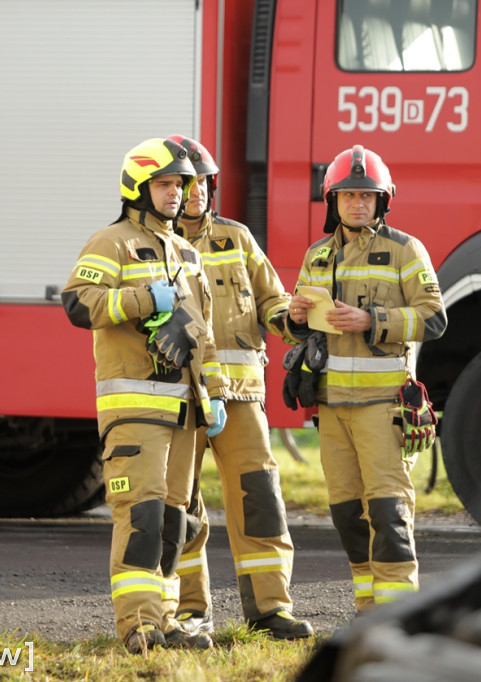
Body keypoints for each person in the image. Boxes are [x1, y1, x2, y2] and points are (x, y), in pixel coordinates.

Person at [61, 138, 229, 653]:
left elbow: (203, 332)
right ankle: (137, 626)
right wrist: (142, 298)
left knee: (175, 522)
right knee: (142, 515)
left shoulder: (184, 251)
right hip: (134, 409)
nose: (176, 193)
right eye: (164, 184)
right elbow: (76, 303)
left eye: (180, 184)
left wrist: (216, 393)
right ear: (138, 188)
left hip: (184, 412)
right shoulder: (111, 242)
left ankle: (167, 620)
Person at [285, 145, 446, 613]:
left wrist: (373, 320)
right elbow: (303, 324)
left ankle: (397, 617)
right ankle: (368, 610)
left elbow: (433, 318)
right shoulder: (316, 255)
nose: (357, 203)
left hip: (382, 406)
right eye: (348, 194)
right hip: (332, 407)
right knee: (347, 515)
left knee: (389, 512)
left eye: (367, 195)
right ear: (331, 200)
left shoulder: (404, 249)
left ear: (383, 200)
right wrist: (296, 317)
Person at [167, 134, 313, 640]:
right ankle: (189, 612)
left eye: (205, 183)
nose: (198, 193)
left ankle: (270, 610)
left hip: (242, 396)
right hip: (179, 398)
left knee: (260, 499)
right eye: (187, 184)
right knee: (181, 505)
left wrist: (292, 317)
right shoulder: (149, 245)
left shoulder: (238, 238)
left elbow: (272, 303)